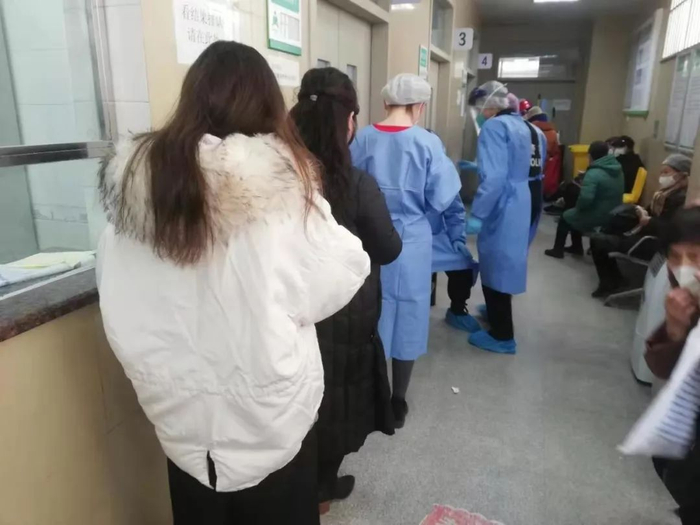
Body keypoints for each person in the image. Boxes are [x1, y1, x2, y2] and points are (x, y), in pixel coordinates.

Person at [97, 42, 371, 524]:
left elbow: (119, 309)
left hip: (181, 430)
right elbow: (346, 269)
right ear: (267, 105)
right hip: (271, 431)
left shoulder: (131, 209)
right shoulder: (285, 200)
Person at [289, 67, 401, 514]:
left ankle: (305, 485)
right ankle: (321, 488)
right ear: (348, 121)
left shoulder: (281, 178)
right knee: (337, 397)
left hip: (292, 311)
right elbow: (388, 248)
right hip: (345, 314)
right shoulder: (355, 185)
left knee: (300, 399)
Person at [350, 73, 463, 427]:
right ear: (421, 106)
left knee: (370, 312)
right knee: (409, 315)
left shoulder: (362, 139)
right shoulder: (428, 143)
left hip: (367, 240)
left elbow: (347, 188)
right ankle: (397, 401)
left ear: (385, 102)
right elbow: (443, 197)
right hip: (412, 241)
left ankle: (369, 396)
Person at [464, 81, 547, 354]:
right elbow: (522, 166)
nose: (479, 114)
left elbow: (495, 179)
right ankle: (494, 311)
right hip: (530, 198)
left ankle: (502, 335)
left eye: (479, 108)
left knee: (496, 260)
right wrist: (479, 166)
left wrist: (477, 215)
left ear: (488, 106)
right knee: (511, 260)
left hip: (507, 203)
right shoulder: (532, 128)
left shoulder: (494, 127)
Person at [644, 206, 700, 525]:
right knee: (669, 463)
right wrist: (676, 330)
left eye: (696, 256)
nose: (684, 268)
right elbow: (661, 367)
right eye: (676, 257)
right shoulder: (684, 296)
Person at [589, 154, 691, 298]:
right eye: (662, 172)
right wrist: (641, 211)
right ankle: (614, 279)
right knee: (613, 224)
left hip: (653, 243)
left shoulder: (681, 201)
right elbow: (651, 213)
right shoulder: (663, 195)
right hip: (647, 233)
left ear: (681, 175)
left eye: (666, 172)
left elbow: (671, 230)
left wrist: (648, 221)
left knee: (598, 241)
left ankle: (612, 283)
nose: (662, 176)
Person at [544, 141, 623, 259]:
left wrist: (578, 208)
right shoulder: (617, 169)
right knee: (574, 213)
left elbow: (586, 198)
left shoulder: (593, 173)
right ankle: (576, 247)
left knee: (566, 216)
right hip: (614, 212)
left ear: (590, 155)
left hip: (599, 215)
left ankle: (558, 250)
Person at [525, 106, 562, 200]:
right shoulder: (553, 132)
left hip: (530, 165)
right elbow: (555, 150)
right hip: (546, 165)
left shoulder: (528, 130)